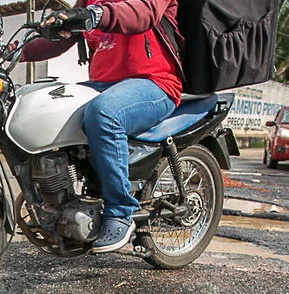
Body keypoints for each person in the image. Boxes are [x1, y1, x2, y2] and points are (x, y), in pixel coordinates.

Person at [20, 0, 184, 253]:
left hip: (154, 83)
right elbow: (62, 40)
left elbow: (143, 13)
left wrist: (95, 14)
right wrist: (13, 49)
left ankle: (121, 211)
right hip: (103, 84)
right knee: (42, 104)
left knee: (104, 113)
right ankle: (55, 204)